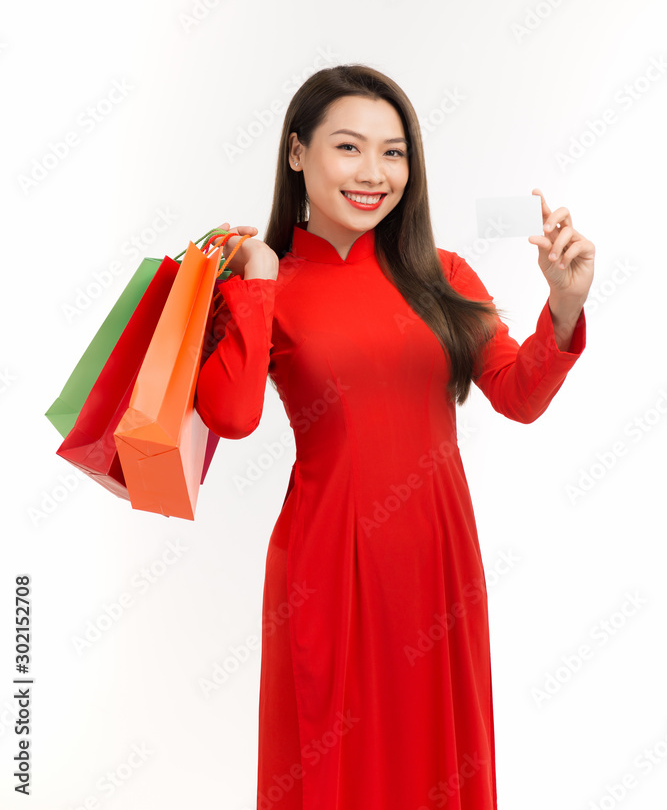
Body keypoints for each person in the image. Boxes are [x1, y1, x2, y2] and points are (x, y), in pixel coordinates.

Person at [194, 63, 594, 810]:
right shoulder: (265, 284)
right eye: (348, 148)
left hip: (438, 561)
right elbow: (233, 416)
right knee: (328, 764)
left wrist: (563, 309)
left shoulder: (443, 274)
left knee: (437, 760)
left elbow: (518, 394)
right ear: (294, 153)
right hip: (329, 558)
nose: (373, 173)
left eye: (394, 152)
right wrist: (252, 281)